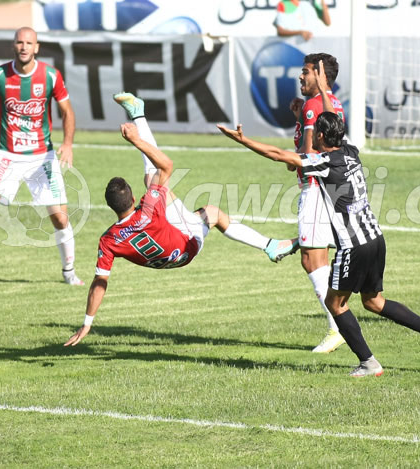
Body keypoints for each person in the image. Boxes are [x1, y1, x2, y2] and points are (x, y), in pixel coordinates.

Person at [217, 65, 420, 377]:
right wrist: (326, 90)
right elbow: (333, 119)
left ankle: (369, 362)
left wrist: (243, 140)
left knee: (336, 304)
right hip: (376, 239)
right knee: (374, 302)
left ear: (323, 138)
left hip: (353, 246)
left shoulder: (323, 163)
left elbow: (278, 155)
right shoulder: (351, 150)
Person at [64, 93, 298, 346]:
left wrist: (87, 323)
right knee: (209, 211)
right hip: (187, 246)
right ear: (133, 200)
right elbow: (167, 165)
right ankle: (270, 246)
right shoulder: (148, 208)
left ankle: (138, 112)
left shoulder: (108, 240)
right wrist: (135, 140)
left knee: (159, 183)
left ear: (110, 206)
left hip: (166, 256)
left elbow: (100, 282)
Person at [0, 26, 83, 286]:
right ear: (13, 46)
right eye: (19, 42)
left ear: (36, 47)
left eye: (29, 42)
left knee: (60, 218)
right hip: (8, 153)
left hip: (42, 157)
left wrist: (69, 143)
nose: (24, 47)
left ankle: (69, 271)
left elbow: (67, 112)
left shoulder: (50, 76)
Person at [290, 53, 347, 354]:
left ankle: (338, 326)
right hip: (329, 186)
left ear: (321, 76)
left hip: (314, 187)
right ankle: (340, 324)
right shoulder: (333, 103)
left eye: (306, 72)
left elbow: (309, 151)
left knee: (312, 259)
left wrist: (292, 157)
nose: (301, 77)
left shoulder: (314, 106)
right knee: (318, 258)